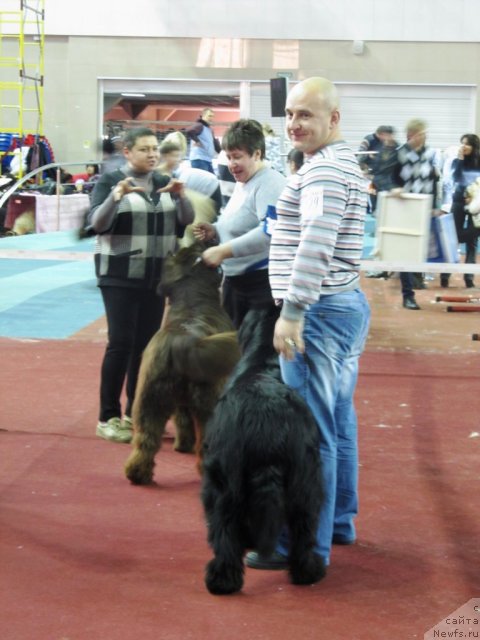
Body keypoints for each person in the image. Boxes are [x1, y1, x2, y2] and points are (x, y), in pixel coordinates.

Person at [244, 77, 370, 572]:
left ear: (333, 119)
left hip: (317, 315)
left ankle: (305, 547)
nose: (294, 123)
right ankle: (337, 524)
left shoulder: (322, 174)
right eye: (291, 114)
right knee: (337, 423)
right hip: (340, 307)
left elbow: (316, 242)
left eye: (307, 115)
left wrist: (293, 311)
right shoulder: (337, 166)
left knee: (308, 434)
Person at [88, 127, 194, 443]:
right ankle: (107, 416)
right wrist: (115, 197)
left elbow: (184, 222)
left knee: (146, 349)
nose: (151, 155)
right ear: (128, 152)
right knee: (120, 343)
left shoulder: (164, 183)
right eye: (145, 149)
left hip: (155, 279)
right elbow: (97, 224)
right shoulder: (110, 181)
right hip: (118, 276)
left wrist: (181, 196)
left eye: (154, 149)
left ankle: (138, 413)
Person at [192, 118, 286, 328]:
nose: (231, 164)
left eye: (237, 157)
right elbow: (239, 221)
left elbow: (270, 232)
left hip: (260, 288)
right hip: (236, 285)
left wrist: (222, 251)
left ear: (257, 154)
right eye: (228, 157)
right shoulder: (243, 182)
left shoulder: (271, 182)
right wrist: (215, 231)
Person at [391, 118, 440, 310]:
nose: (425, 136)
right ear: (411, 135)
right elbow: (388, 177)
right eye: (421, 133)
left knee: (421, 249)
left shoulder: (429, 154)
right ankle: (407, 294)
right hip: (405, 209)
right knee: (406, 252)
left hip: (424, 208)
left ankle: (415, 279)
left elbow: (433, 180)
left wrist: (435, 205)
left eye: (426, 133)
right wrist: (395, 189)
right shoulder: (399, 154)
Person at [440, 133, 480, 288]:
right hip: (458, 200)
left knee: (472, 241)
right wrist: (461, 160)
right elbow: (456, 178)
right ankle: (445, 275)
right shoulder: (457, 161)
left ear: (474, 147)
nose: (464, 146)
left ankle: (469, 278)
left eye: (467, 144)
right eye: (462, 143)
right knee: (453, 238)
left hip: (475, 203)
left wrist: (475, 197)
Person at [159, 140, 223, 215]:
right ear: (165, 156)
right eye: (175, 156)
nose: (178, 159)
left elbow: (183, 201)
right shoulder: (171, 172)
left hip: (212, 189)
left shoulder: (180, 174)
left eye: (179, 156)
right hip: (207, 187)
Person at [185, 108, 221, 174]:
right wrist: (197, 141)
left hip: (206, 159)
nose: (211, 118)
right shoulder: (200, 125)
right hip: (199, 159)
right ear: (203, 116)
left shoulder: (209, 129)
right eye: (209, 116)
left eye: (212, 116)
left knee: (211, 180)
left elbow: (214, 143)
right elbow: (189, 130)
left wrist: (222, 153)